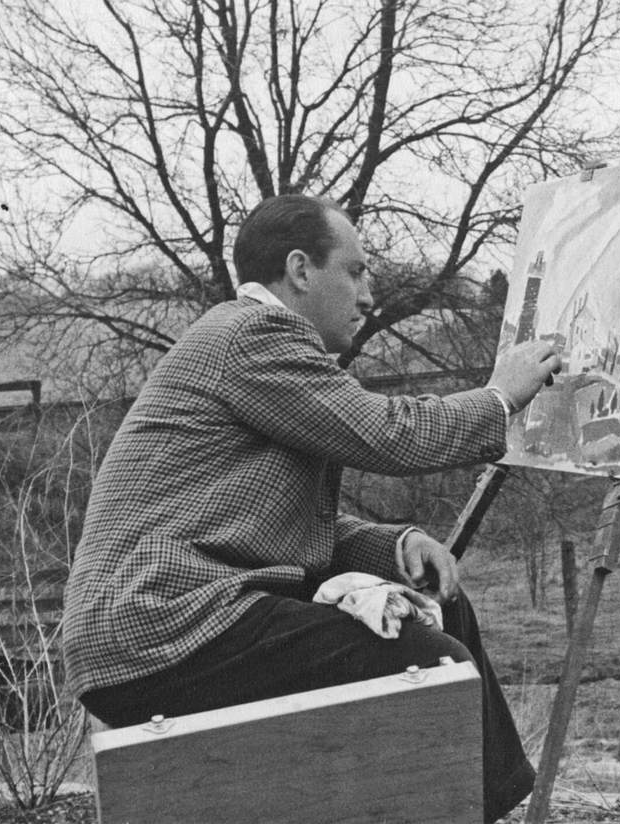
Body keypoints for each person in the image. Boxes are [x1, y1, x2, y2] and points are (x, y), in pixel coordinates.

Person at [62, 194, 560, 823]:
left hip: (176, 619)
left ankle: (483, 811)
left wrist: (395, 546)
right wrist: (499, 398)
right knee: (430, 667)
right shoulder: (254, 335)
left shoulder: (249, 345)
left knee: (445, 610)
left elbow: (278, 520)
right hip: (162, 623)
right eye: (354, 272)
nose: (368, 295)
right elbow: (391, 433)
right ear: (300, 271)